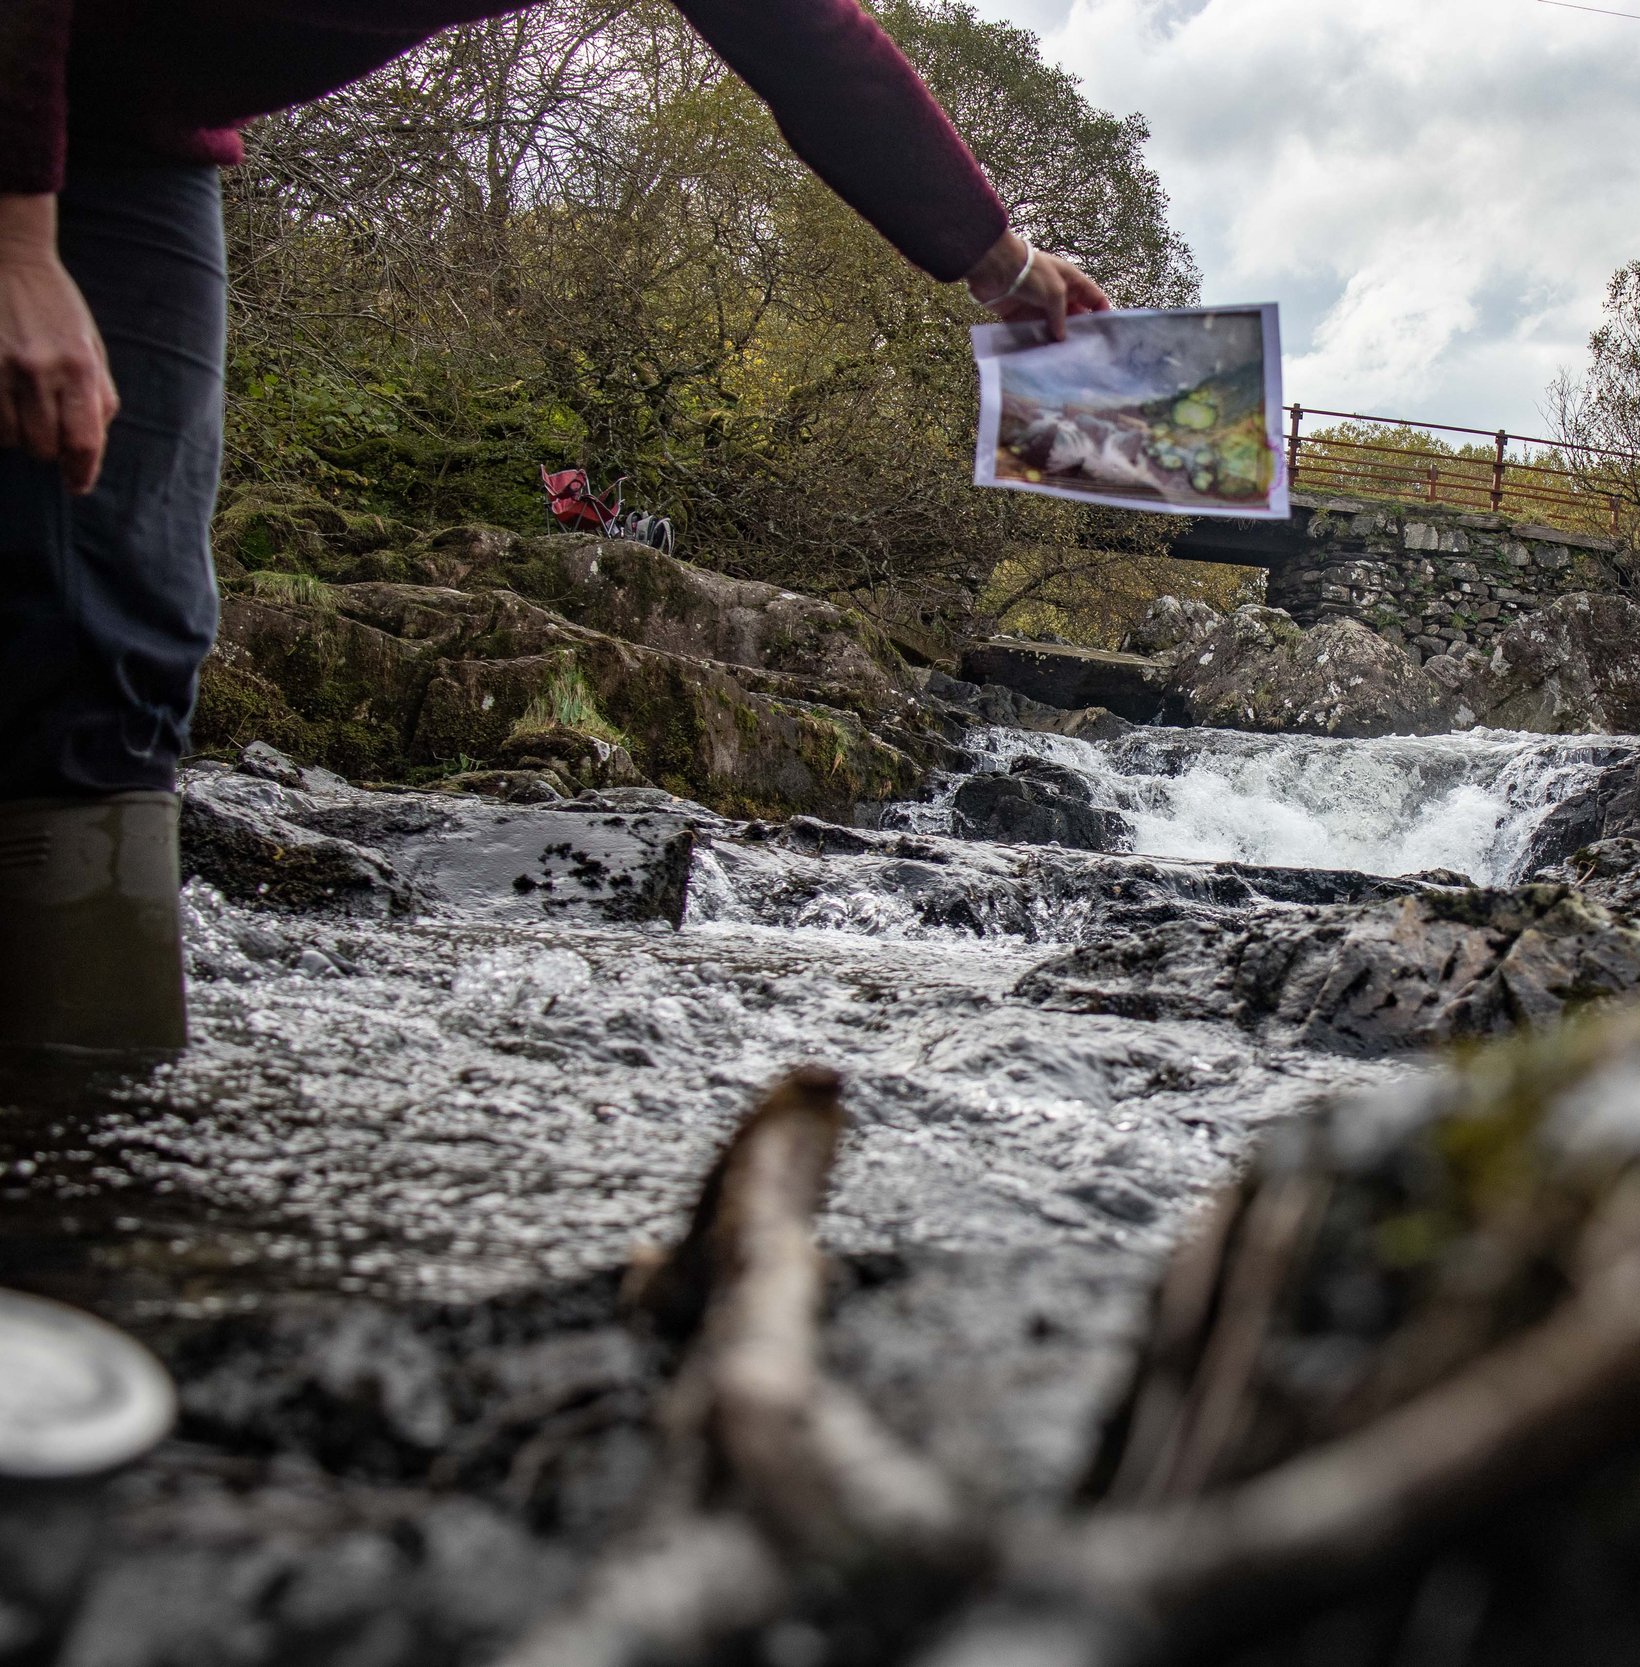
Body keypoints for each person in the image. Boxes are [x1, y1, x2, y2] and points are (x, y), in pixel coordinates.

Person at [0, 0, 1109, 1055]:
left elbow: (812, 43)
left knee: (126, 634)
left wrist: (1002, 264)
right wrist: (17, 239)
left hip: (139, 141)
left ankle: (85, 1153)